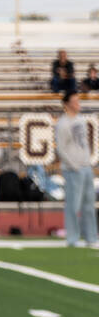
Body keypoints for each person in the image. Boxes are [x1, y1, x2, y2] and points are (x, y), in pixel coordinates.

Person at [55, 91, 98, 247]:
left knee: (89, 203)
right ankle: (72, 238)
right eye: (74, 101)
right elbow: (61, 148)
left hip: (86, 166)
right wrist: (73, 165)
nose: (77, 103)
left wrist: (87, 162)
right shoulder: (62, 124)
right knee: (73, 204)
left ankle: (91, 237)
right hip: (73, 169)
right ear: (67, 104)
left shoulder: (80, 120)